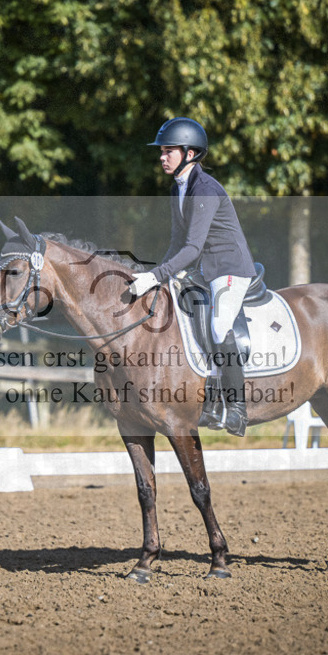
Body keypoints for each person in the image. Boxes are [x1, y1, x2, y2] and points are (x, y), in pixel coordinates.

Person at [128, 117, 256, 436]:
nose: (162, 156)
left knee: (219, 324)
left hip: (229, 267)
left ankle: (236, 408)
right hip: (203, 268)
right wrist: (156, 274)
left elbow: (193, 246)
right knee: (183, 317)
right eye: (162, 151)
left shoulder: (206, 189)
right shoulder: (179, 189)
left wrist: (156, 275)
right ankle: (209, 399)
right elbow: (177, 243)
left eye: (168, 150)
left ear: (190, 153)